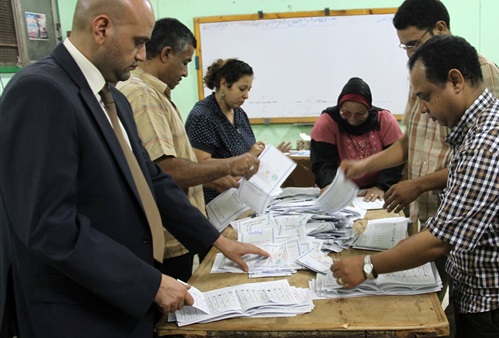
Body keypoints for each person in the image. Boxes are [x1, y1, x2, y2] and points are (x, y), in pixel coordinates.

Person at [0, 1, 268, 337]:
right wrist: (149, 283)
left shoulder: (115, 100)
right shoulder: (41, 90)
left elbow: (153, 181)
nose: (143, 55)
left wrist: (215, 240)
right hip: (76, 308)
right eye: (138, 42)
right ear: (101, 29)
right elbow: (49, 225)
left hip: (121, 301)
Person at [331, 35, 499, 338]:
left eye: (426, 96)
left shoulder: (487, 144)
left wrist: (368, 266)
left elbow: (441, 239)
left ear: (455, 81)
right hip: (487, 291)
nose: (423, 109)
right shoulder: (482, 123)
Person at [340, 0, 499, 300]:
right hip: (427, 212)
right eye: (404, 47)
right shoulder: (422, 70)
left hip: (457, 215)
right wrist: (365, 165)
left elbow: (475, 160)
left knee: (440, 295)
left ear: (440, 28)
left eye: (413, 44)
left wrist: (418, 184)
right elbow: (412, 139)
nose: (410, 54)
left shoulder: (481, 78)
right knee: (432, 294)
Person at [117, 18, 261, 281]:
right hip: (168, 233)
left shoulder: (155, 94)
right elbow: (166, 171)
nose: (186, 72)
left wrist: (215, 178)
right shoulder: (144, 96)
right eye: (184, 62)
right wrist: (229, 165)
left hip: (183, 229)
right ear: (165, 54)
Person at [185, 58, 291, 203]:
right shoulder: (202, 116)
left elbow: (248, 159)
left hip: (243, 199)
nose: (246, 95)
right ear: (224, 84)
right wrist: (248, 156)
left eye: (249, 89)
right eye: (242, 89)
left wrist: (269, 157)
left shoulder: (239, 113)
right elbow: (198, 167)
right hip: (216, 203)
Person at [310, 77, 404, 201]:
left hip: (375, 190)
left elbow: (396, 160)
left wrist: (381, 187)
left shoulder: (384, 120)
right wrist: (329, 186)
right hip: (339, 189)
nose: (352, 120)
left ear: (369, 109)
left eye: (360, 114)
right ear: (339, 108)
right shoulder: (328, 122)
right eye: (346, 113)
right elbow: (322, 163)